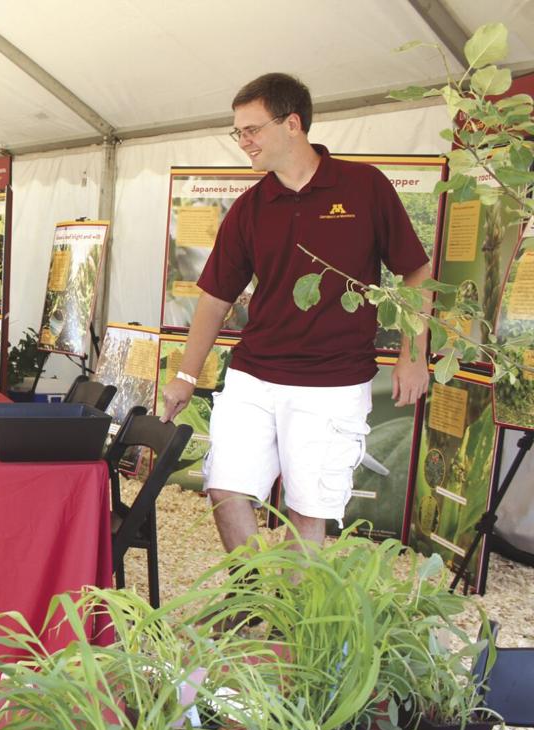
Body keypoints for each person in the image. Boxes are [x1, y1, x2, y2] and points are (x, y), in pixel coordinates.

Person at [159, 73, 431, 554]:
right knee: (224, 489)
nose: (243, 142)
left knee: (309, 511)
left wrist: (413, 355)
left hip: (334, 381)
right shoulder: (250, 207)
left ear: (292, 124)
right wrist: (184, 373)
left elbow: (416, 272)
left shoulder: (364, 187)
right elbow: (215, 298)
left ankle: (289, 621)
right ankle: (255, 596)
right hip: (254, 374)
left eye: (251, 130)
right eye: (238, 132)